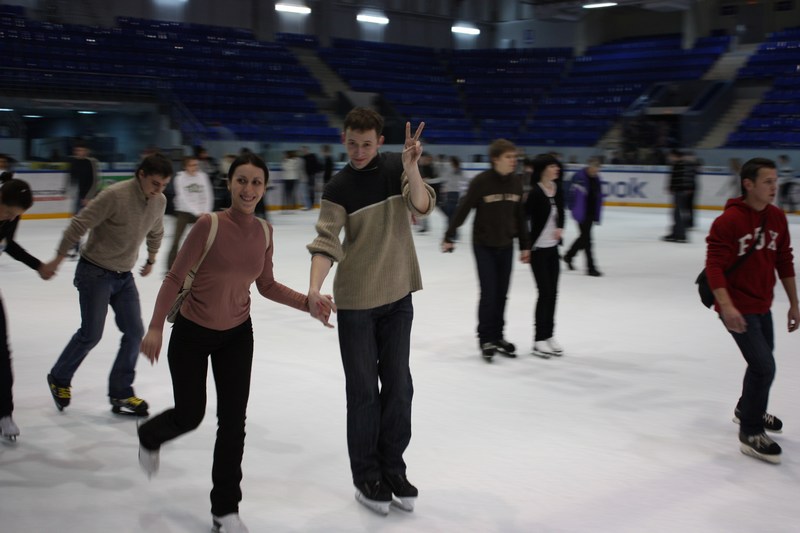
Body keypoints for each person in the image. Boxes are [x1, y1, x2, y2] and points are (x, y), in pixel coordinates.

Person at [138, 153, 332, 533]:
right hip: (192, 334)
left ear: (265, 187)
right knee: (190, 414)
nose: (248, 189)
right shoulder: (208, 225)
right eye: (241, 180)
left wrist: (307, 304)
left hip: (237, 337)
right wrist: (156, 327)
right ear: (229, 184)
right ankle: (150, 435)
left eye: (256, 182)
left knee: (233, 423)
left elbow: (266, 285)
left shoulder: (265, 232)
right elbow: (174, 278)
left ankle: (224, 510)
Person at [306, 107, 434, 515]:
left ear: (379, 141)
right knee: (363, 395)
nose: (358, 152)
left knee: (399, 387)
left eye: (366, 144)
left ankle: (392, 468)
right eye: (352, 144)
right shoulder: (338, 186)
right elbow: (326, 241)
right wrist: (314, 288)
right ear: (343, 140)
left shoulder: (397, 166)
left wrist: (412, 168)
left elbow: (422, 206)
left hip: (398, 298)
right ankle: (366, 475)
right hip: (357, 304)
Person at [44, 153, 173, 416]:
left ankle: (121, 392)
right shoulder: (115, 195)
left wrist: (151, 258)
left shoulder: (159, 201)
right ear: (141, 174)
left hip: (124, 276)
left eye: (164, 185)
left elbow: (156, 231)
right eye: (155, 183)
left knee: (135, 332)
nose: (159, 190)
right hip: (95, 272)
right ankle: (59, 377)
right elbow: (80, 224)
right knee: (91, 333)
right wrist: (58, 258)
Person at [704, 157, 799, 464]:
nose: (774, 187)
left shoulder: (777, 217)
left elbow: (784, 260)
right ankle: (751, 432)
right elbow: (714, 267)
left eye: (775, 181)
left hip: (762, 303)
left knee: (762, 362)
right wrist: (727, 306)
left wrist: (794, 303)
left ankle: (748, 408)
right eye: (768, 182)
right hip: (735, 307)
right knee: (764, 366)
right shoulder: (729, 221)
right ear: (749, 184)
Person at [442, 139, 531, 361]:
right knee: (489, 293)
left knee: (502, 293)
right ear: (495, 159)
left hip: (506, 245)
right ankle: (485, 339)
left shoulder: (516, 183)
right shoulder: (482, 182)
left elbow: (520, 217)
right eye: (509, 157)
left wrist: (525, 245)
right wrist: (449, 234)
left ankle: (498, 336)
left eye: (515, 157)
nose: (514, 161)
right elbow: (464, 208)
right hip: (484, 245)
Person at [0, 179, 56, 441]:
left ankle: (4, 413)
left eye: (16, 215)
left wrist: (37, 265)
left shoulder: (11, 216)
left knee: (2, 352)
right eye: (9, 212)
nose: (12, 218)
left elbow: (8, 244)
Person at [526, 154, 566, 358]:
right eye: (552, 166)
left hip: (553, 250)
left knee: (553, 293)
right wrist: (525, 246)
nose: (556, 169)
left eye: (557, 166)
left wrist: (560, 227)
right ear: (543, 169)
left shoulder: (558, 189)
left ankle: (549, 334)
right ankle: (539, 339)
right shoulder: (535, 192)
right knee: (544, 292)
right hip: (538, 250)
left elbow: (562, 213)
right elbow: (523, 219)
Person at [167, 156, 214, 270]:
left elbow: (208, 195)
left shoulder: (203, 176)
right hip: (184, 212)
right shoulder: (180, 178)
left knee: (206, 240)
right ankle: (170, 269)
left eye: (196, 165)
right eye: (192, 165)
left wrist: (206, 212)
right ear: (185, 166)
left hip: (202, 213)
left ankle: (204, 266)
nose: (195, 167)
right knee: (176, 240)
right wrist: (197, 212)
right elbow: (183, 197)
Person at [564, 156, 604, 277]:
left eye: (598, 168)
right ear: (589, 166)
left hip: (591, 213)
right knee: (588, 241)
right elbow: (569, 192)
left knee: (584, 238)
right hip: (581, 212)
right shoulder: (579, 177)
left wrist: (597, 213)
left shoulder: (597, 179)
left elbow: (598, 197)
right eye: (594, 167)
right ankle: (591, 268)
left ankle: (569, 256)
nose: (596, 170)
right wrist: (572, 207)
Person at [67, 141, 101, 257]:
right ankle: (76, 246)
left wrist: (88, 197)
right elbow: (72, 178)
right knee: (77, 222)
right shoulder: (74, 162)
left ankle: (94, 246)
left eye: (81, 150)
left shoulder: (91, 162)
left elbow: (95, 181)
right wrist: (69, 190)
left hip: (90, 197)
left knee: (91, 223)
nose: (78, 152)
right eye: (77, 150)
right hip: (79, 197)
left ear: (86, 151)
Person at [662, 148, 692, 243]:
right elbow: (675, 178)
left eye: (670, 156)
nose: (669, 158)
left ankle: (681, 234)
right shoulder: (677, 164)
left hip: (681, 192)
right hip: (678, 191)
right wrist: (671, 187)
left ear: (675, 156)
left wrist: (684, 188)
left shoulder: (683, 165)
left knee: (679, 214)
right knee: (676, 214)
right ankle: (676, 232)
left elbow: (686, 178)